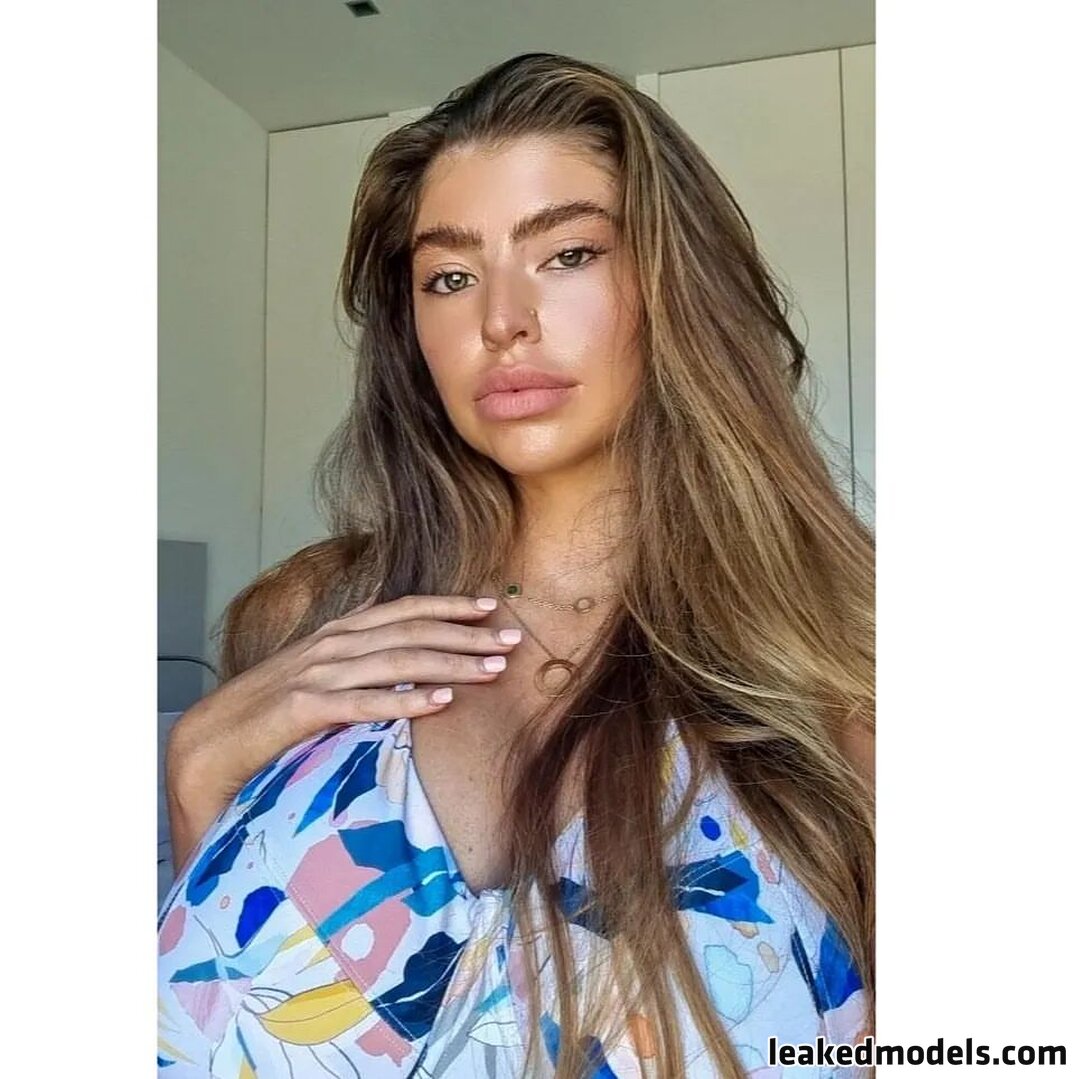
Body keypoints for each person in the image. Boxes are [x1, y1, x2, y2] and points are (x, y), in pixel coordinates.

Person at [158, 51, 874, 1078]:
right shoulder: (312, 615)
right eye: (449, 277)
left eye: (568, 253)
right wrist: (198, 777)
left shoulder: (849, 651)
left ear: (678, 283)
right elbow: (220, 1011)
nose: (500, 319)